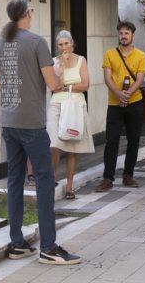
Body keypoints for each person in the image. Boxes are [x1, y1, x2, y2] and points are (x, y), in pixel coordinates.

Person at [0, 0, 80, 265]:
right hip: (31, 123)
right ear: (27, 14)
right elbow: (52, 84)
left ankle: (17, 242)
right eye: (31, 12)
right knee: (44, 181)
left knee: (15, 181)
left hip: (8, 121)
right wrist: (62, 70)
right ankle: (49, 247)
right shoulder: (37, 42)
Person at [95, 21, 145, 192]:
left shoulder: (141, 55)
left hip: (135, 102)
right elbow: (107, 78)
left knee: (133, 140)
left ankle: (128, 175)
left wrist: (128, 93)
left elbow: (139, 79)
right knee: (112, 140)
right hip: (114, 103)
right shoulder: (110, 54)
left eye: (127, 33)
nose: (123, 36)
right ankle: (107, 178)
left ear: (132, 35)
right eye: (121, 33)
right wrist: (118, 94)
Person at [47, 30, 94, 200]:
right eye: (60, 44)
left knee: (72, 147)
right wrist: (63, 68)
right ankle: (52, 179)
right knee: (53, 144)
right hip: (57, 104)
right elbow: (55, 87)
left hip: (75, 105)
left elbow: (86, 84)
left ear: (72, 43)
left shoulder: (81, 60)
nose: (63, 47)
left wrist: (69, 87)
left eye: (66, 43)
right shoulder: (53, 62)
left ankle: (69, 187)